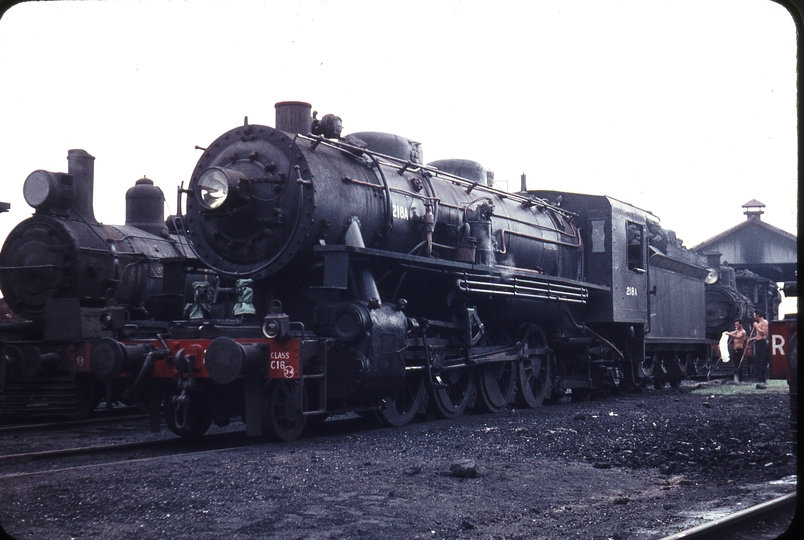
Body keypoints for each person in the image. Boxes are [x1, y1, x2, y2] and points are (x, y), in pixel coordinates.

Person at [748, 310, 769, 382]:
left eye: (754, 315)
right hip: (758, 342)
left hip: (762, 343)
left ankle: (762, 378)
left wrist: (756, 326)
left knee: (761, 360)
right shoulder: (759, 323)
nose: (754, 316)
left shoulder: (764, 322)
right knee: (757, 360)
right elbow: (758, 336)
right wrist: (751, 339)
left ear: (758, 315)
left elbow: (763, 333)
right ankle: (758, 376)